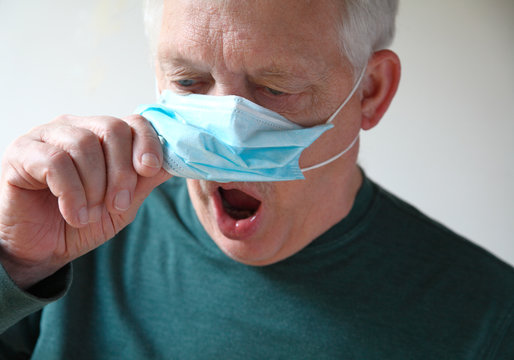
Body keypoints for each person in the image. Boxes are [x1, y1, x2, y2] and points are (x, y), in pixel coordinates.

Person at [0, 0, 512, 358]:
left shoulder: (488, 316)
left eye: (274, 87)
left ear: (371, 92)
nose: (226, 132)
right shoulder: (74, 234)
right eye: (187, 83)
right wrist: (15, 265)